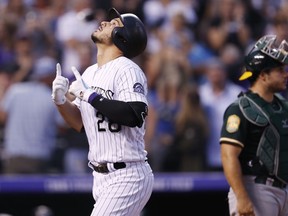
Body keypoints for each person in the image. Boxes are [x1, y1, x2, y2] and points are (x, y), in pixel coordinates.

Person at [51, 7, 154, 216]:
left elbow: (134, 114)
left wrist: (90, 96)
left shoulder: (127, 69)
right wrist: (61, 101)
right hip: (101, 176)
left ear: (122, 37)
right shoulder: (90, 72)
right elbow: (80, 124)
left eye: (114, 24)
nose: (106, 23)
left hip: (127, 173)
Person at [220, 34, 288, 216]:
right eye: (279, 70)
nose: (285, 74)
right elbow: (228, 156)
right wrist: (242, 197)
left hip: (283, 189)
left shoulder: (282, 105)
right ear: (264, 75)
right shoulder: (240, 108)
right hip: (255, 189)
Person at [0, 56, 66, 174]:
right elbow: (62, 127)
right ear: (51, 77)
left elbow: (2, 117)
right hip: (39, 159)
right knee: (35, 192)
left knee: (12, 192)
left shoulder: (16, 90)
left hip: (14, 157)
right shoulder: (52, 99)